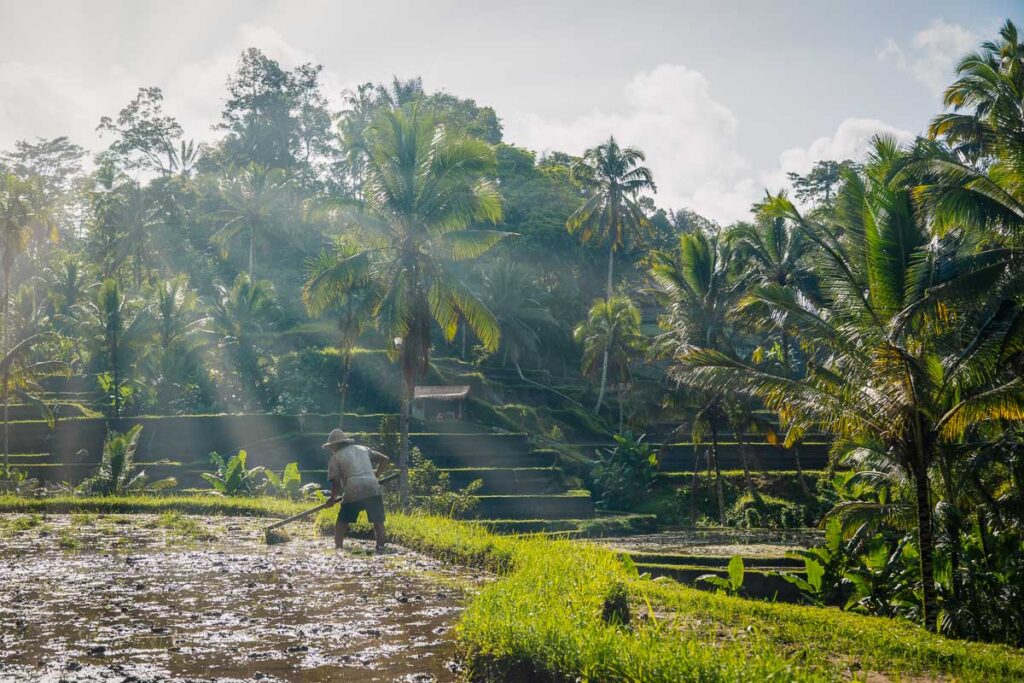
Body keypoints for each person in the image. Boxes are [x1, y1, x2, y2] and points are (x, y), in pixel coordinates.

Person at [322, 428, 391, 552]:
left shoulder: (336, 457)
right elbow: (385, 459)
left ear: (335, 446)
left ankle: (338, 548)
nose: (331, 450)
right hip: (372, 487)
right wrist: (375, 476)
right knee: (378, 521)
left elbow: (336, 483)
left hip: (354, 489)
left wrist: (332, 499)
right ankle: (380, 547)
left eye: (331, 447)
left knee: (342, 522)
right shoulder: (363, 449)